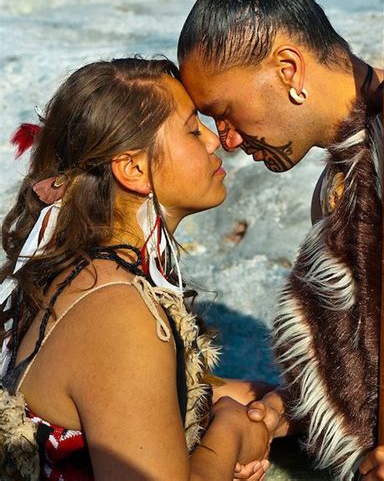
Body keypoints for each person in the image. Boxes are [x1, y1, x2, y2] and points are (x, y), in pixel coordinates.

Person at [177, 0, 384, 480]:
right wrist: (298, 408)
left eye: (225, 111)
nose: (228, 140)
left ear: (288, 70)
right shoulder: (339, 183)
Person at [0, 57, 273, 481]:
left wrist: (271, 406)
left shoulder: (84, 272)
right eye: (191, 129)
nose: (214, 141)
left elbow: (150, 397)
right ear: (134, 169)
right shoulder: (118, 313)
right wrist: (232, 431)